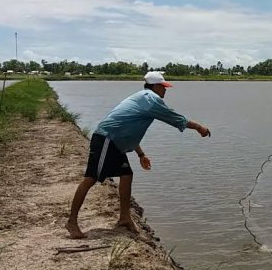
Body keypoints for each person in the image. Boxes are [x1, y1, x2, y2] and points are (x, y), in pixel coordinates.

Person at [65, 71, 210, 239]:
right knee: (90, 179)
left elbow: (129, 130)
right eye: (163, 87)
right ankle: (72, 222)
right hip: (107, 139)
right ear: (155, 86)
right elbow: (174, 118)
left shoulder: (142, 97)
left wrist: (141, 154)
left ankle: (125, 218)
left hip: (115, 142)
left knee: (126, 175)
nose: (165, 91)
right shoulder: (151, 99)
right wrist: (199, 127)